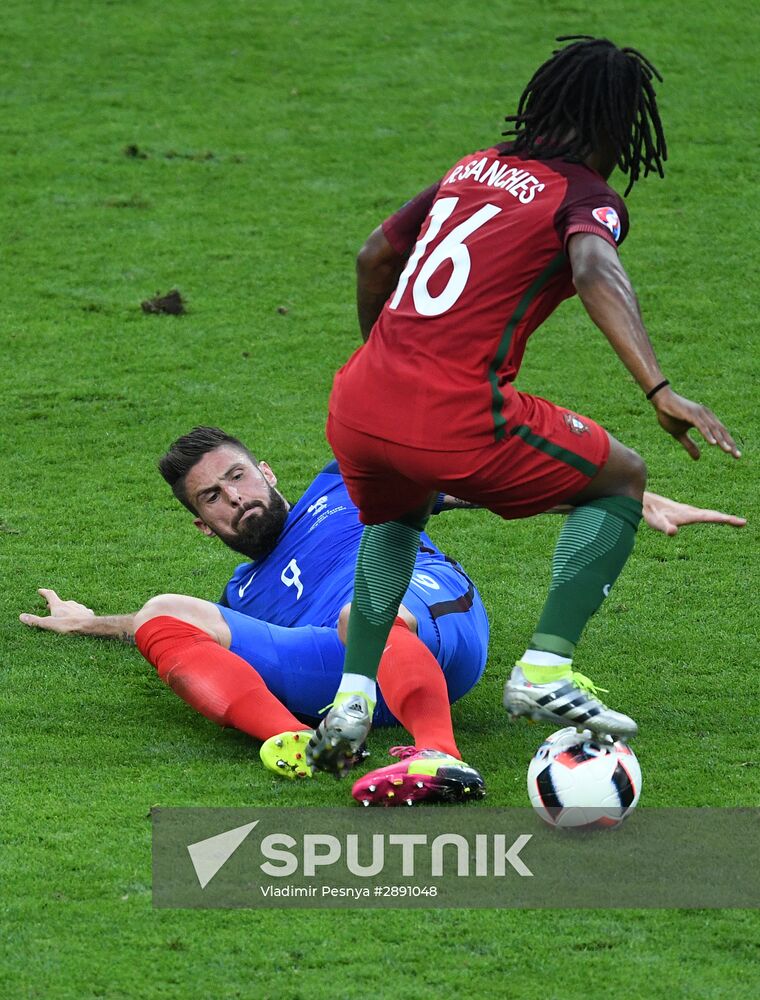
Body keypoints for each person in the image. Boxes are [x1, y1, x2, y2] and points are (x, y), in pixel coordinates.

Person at [314, 36, 742, 773]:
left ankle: (351, 698)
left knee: (396, 517)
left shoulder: (474, 166)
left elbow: (373, 257)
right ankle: (544, 670)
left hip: (356, 402)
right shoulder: (586, 196)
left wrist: (387, 363)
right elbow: (592, 265)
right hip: (452, 416)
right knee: (621, 477)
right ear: (619, 126)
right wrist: (658, 388)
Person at [20, 426, 744, 806]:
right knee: (164, 610)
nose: (233, 497)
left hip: (430, 620)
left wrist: (623, 498)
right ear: (202, 527)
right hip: (337, 676)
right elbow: (160, 629)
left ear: (267, 473)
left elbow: (479, 491)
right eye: (211, 498)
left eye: (236, 476)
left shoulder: (344, 487)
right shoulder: (242, 594)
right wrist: (91, 622)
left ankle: (440, 752)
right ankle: (296, 745)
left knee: (360, 612)